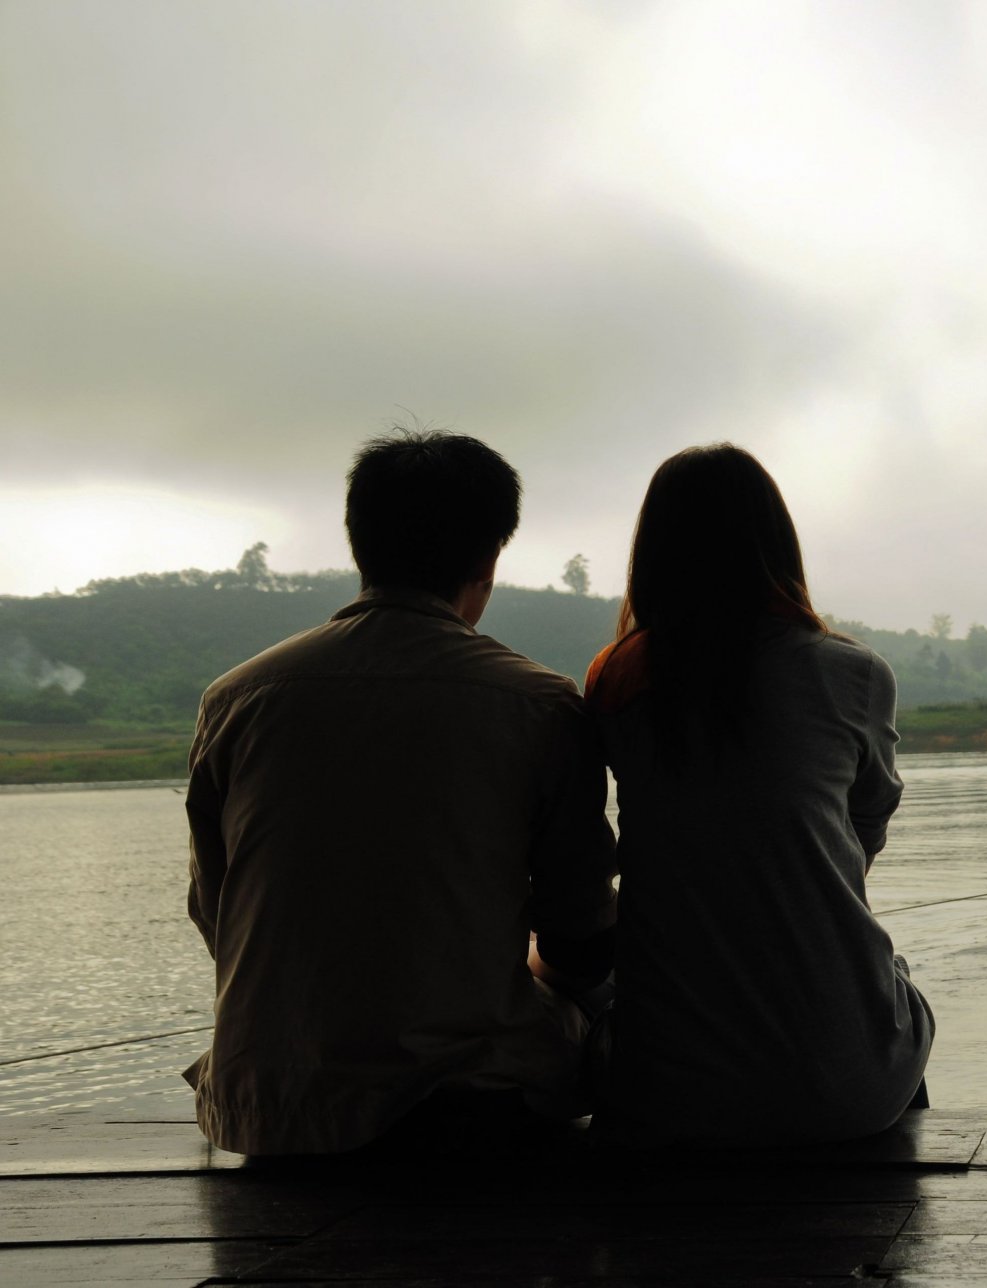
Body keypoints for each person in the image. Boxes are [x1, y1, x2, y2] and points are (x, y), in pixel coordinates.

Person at [183, 430, 617, 1156]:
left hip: (266, 1108)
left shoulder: (236, 698)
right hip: (466, 1108)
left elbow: (216, 912)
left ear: (360, 545)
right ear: (488, 560)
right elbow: (580, 938)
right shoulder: (539, 705)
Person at [585, 442, 932, 1147]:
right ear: (778, 545)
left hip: (669, 1100)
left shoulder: (614, 682)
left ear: (653, 554)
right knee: (890, 986)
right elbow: (861, 842)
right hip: (846, 1093)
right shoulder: (854, 675)